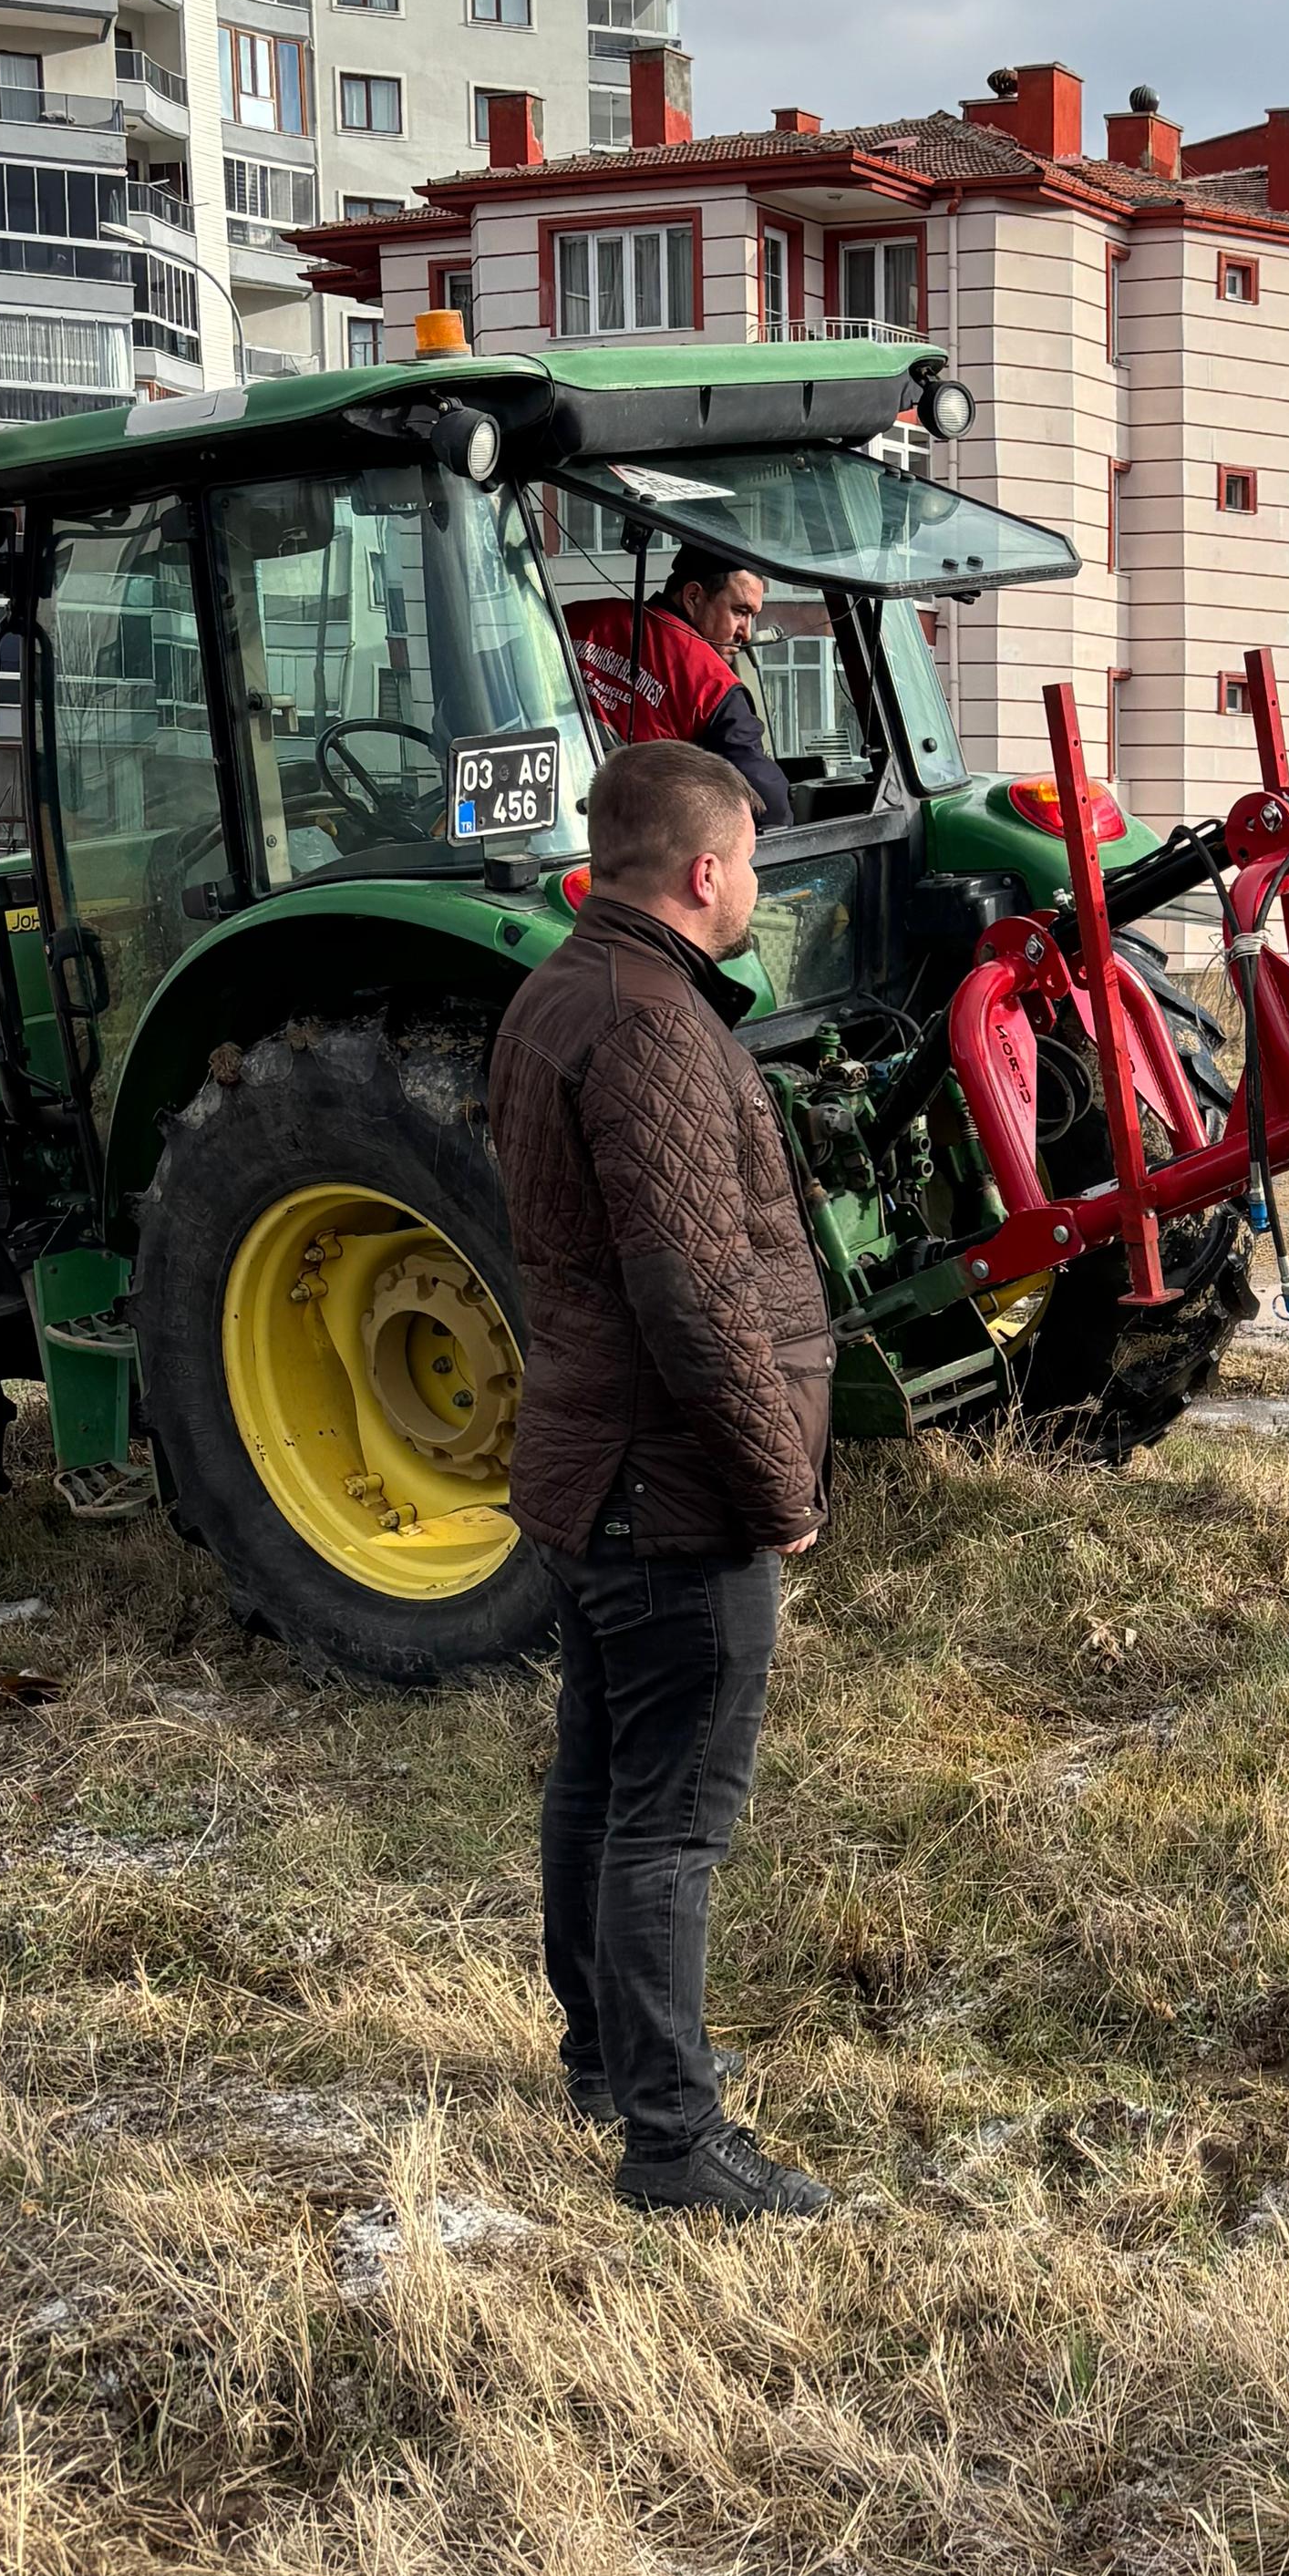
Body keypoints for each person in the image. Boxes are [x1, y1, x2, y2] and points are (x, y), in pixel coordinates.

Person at [490, 738, 832, 2218]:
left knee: (600, 1775)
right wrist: (782, 1490)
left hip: (585, 1463)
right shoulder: (649, 1032)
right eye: (748, 861)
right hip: (666, 1486)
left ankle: (606, 2056)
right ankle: (675, 2144)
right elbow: (698, 1300)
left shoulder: (558, 992)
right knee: (671, 1818)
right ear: (705, 872)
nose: (754, 885)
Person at [563, 550, 794, 829]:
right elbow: (770, 809)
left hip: (555, 828)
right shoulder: (712, 685)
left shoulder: (575, 620)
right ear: (693, 597)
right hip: (636, 846)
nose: (746, 633)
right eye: (740, 611)